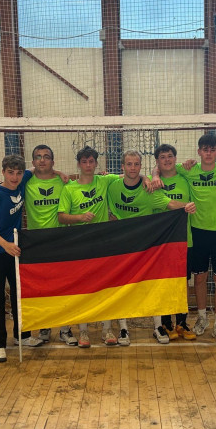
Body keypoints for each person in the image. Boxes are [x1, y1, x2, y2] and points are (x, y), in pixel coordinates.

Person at [107, 150, 196, 345]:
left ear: (141, 166)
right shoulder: (111, 186)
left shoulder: (149, 190)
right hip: (123, 246)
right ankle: (123, 328)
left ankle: (158, 327)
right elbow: (91, 180)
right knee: (122, 286)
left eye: (136, 164)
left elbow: (170, 204)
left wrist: (187, 205)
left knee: (152, 285)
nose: (132, 168)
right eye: (129, 164)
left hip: (147, 247)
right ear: (122, 167)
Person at [166, 134, 216, 344]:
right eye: (205, 149)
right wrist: (153, 176)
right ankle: (202, 318)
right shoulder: (188, 170)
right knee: (199, 278)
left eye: (212, 150)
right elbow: (163, 168)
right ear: (199, 151)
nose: (208, 153)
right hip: (197, 233)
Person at [0, 154, 44, 363]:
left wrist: (60, 173)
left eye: (18, 173)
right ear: (3, 172)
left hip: (15, 251)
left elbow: (33, 169)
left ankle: (22, 336)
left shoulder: (22, 180)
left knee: (19, 294)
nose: (15, 177)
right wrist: (4, 244)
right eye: (10, 173)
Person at [57, 145, 120, 348]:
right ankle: (83, 331)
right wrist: (80, 217)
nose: (88, 165)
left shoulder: (104, 180)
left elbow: (129, 176)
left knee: (106, 286)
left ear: (96, 163)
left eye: (91, 161)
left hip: (103, 242)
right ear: (79, 164)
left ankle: (107, 329)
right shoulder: (69, 189)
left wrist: (147, 178)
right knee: (83, 288)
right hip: (80, 245)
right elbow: (61, 217)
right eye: (84, 162)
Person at [24, 144, 78, 346]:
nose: (42, 160)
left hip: (60, 240)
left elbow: (84, 180)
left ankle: (65, 329)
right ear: (33, 162)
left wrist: (59, 173)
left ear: (53, 161)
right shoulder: (25, 182)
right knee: (42, 288)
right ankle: (44, 326)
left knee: (64, 287)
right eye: (38, 157)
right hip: (36, 242)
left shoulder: (64, 182)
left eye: (46, 157)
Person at [151, 144, 195, 341]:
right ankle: (166, 322)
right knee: (164, 282)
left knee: (183, 282)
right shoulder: (153, 183)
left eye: (170, 156)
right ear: (157, 161)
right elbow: (165, 204)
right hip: (162, 243)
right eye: (162, 157)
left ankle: (182, 322)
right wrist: (186, 205)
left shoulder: (185, 178)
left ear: (175, 159)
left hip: (184, 240)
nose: (167, 160)